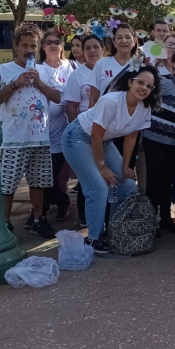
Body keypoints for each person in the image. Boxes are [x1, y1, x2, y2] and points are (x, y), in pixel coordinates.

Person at [62, 64, 159, 252]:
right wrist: (102, 167)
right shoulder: (111, 101)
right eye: (140, 82)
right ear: (130, 82)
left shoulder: (144, 106)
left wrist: (125, 166)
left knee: (128, 184)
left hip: (104, 142)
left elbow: (131, 135)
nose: (144, 88)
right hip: (79, 137)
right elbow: (95, 135)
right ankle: (93, 239)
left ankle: (114, 230)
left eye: (149, 86)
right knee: (98, 188)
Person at [0, 24, 62, 238]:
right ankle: (5, 225)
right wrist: (15, 85)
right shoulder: (2, 70)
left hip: (40, 139)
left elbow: (58, 97)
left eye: (33, 45)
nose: (29, 49)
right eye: (24, 44)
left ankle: (38, 219)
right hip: (12, 140)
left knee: (39, 183)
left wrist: (39, 83)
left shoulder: (43, 70)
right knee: (7, 185)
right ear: (15, 46)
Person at [143, 47, 175, 235]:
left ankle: (165, 218)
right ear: (173, 62)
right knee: (154, 181)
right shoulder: (162, 82)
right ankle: (149, 222)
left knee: (168, 180)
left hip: (174, 142)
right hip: (154, 139)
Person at [65, 35, 105, 227]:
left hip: (108, 133)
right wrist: (78, 131)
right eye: (87, 47)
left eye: (95, 47)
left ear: (103, 49)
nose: (91, 51)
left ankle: (105, 216)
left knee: (106, 174)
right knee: (87, 178)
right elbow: (71, 106)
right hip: (85, 131)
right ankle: (84, 217)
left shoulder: (108, 70)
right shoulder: (77, 75)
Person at [38, 30, 76, 224]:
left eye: (57, 42)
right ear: (43, 47)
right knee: (43, 176)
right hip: (39, 133)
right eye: (48, 42)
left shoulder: (71, 67)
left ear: (62, 46)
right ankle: (43, 210)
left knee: (56, 176)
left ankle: (59, 205)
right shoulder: (37, 69)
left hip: (63, 134)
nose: (53, 45)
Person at [88, 23, 138, 106]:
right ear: (114, 42)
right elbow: (93, 99)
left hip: (132, 116)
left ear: (134, 40)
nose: (124, 41)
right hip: (104, 115)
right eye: (119, 37)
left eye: (128, 37)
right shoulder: (102, 64)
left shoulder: (141, 65)